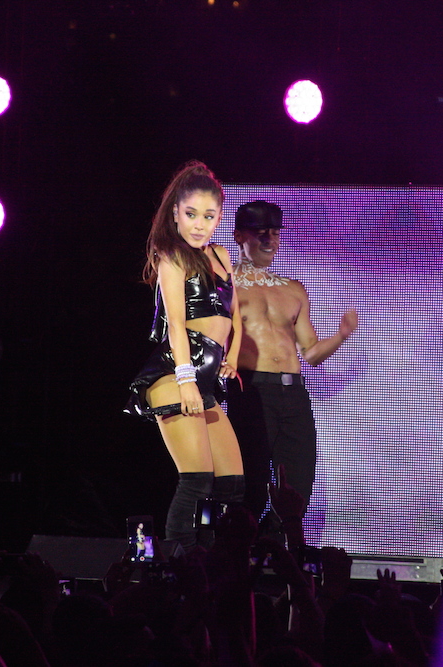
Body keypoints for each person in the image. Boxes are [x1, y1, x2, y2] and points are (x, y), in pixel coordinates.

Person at [125, 161, 245, 551]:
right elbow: (176, 324)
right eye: (191, 214)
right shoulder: (171, 257)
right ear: (175, 212)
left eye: (209, 216)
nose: (199, 224)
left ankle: (216, 566)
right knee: (196, 481)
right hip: (177, 374)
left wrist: (232, 358)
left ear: (220, 217)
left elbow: (234, 316)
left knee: (231, 486)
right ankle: (180, 571)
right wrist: (186, 378)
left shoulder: (223, 256)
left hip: (207, 377)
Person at [227, 201, 357, 538]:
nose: (270, 240)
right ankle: (242, 552)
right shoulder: (226, 287)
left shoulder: (293, 288)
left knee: (297, 484)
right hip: (251, 391)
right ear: (240, 235)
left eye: (274, 233)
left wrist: (341, 336)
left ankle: (277, 547)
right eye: (260, 233)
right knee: (252, 485)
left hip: (293, 394)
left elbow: (311, 353)